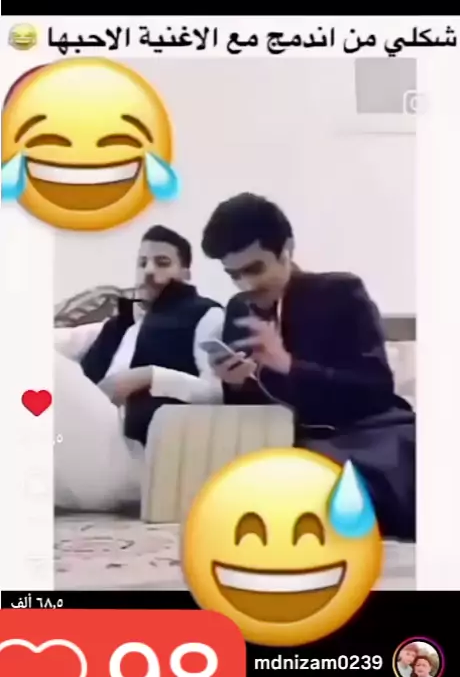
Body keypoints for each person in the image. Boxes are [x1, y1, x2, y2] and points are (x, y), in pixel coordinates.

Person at [201, 193, 416, 540]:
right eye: (233, 274)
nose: (246, 284)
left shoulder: (341, 292)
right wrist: (236, 383)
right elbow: (254, 411)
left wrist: (289, 366)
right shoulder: (239, 309)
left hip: (366, 432)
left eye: (255, 269)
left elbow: (375, 389)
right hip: (292, 440)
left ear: (287, 249)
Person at [54, 225, 224, 511]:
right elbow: (64, 340)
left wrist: (148, 376)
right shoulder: (122, 322)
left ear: (185, 272)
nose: (149, 270)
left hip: (132, 448)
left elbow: (216, 392)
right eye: (142, 263)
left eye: (162, 262)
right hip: (86, 439)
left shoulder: (205, 314)